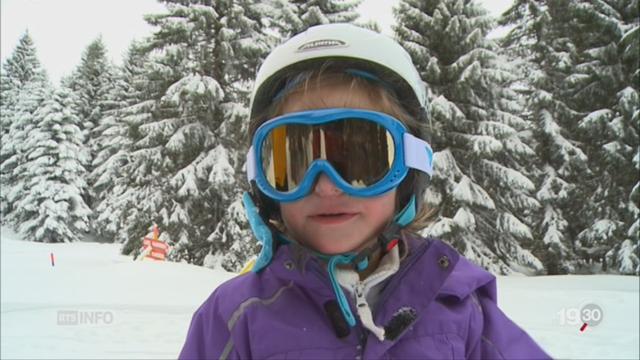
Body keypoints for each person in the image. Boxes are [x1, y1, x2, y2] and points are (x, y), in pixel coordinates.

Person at [179, 23, 550, 359]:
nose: (324, 185)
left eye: (360, 160)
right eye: (294, 163)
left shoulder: (460, 313)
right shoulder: (234, 318)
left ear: (409, 172)